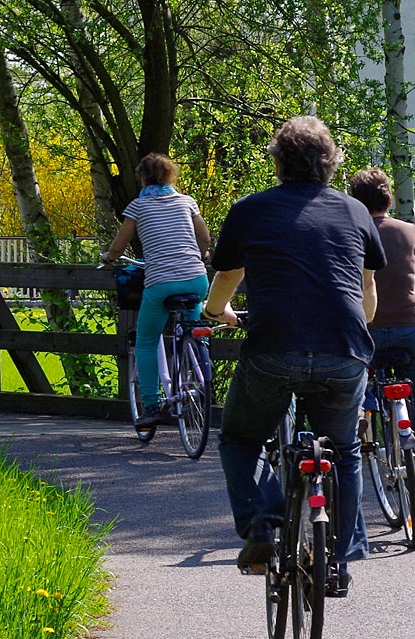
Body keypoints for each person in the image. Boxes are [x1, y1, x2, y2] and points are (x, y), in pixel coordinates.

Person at [203, 116, 384, 596]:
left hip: (272, 347)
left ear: (278, 161)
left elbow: (225, 281)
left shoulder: (249, 211)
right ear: (331, 163)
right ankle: (338, 562)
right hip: (344, 349)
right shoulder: (356, 213)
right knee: (344, 451)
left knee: (240, 439)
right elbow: (367, 292)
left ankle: (262, 524)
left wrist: (216, 311)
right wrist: (353, 331)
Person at [346, 168, 415, 509]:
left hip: (369, 329)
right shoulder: (408, 231)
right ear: (389, 199)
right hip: (408, 328)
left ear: (356, 202)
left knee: (360, 379)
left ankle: (365, 412)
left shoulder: (352, 232)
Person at [101, 153, 214, 430]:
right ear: (170, 175)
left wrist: (109, 257)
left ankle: (151, 406)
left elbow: (119, 244)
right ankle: (199, 364)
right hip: (196, 279)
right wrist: (202, 255)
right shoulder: (187, 202)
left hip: (161, 283)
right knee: (194, 325)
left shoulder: (138, 206)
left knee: (146, 340)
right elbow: (205, 238)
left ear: (142, 177)